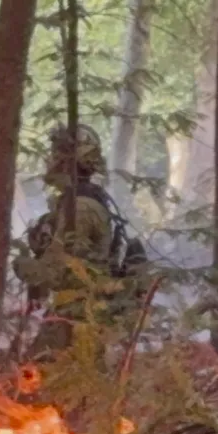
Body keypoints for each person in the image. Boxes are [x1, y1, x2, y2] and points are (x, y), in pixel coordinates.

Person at [13, 124, 145, 366]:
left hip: (79, 317)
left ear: (68, 161)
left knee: (35, 381)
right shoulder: (81, 201)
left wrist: (22, 264)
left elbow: (57, 273)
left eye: (56, 154)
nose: (50, 160)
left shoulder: (81, 208)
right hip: (78, 315)